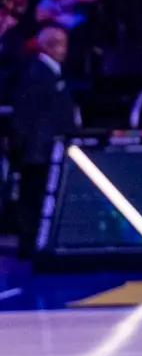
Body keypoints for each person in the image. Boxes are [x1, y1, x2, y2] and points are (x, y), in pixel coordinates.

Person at [14, 25, 76, 257]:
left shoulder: (52, 72)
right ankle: (28, 247)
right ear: (48, 46)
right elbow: (26, 115)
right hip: (38, 152)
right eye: (61, 45)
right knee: (32, 199)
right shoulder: (36, 74)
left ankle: (36, 245)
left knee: (40, 199)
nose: (65, 50)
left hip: (50, 149)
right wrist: (25, 148)